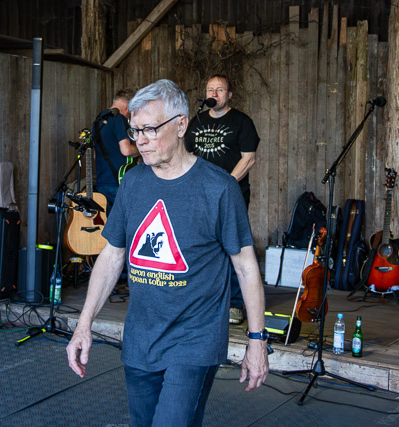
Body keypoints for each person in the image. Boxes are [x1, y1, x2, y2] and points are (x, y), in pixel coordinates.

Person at [66, 79, 269, 426]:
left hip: (195, 340)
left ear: (181, 125)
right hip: (141, 340)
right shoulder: (133, 183)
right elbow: (112, 257)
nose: (140, 140)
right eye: (135, 130)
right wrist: (83, 325)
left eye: (150, 129)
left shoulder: (219, 189)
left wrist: (257, 340)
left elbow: (246, 268)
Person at [186, 74, 260, 325]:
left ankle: (235, 304)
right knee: (200, 246)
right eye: (210, 89)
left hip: (231, 195)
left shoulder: (242, 122)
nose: (214, 94)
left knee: (234, 246)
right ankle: (203, 300)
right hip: (199, 196)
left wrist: (224, 185)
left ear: (229, 95)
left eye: (219, 90)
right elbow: (185, 154)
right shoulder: (196, 121)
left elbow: (249, 158)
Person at [92, 89, 140, 214]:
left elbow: (95, 155)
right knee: (125, 220)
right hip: (117, 181)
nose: (130, 114)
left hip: (102, 181)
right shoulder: (118, 118)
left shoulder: (98, 121)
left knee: (108, 221)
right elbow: (126, 150)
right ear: (127, 106)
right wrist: (141, 149)